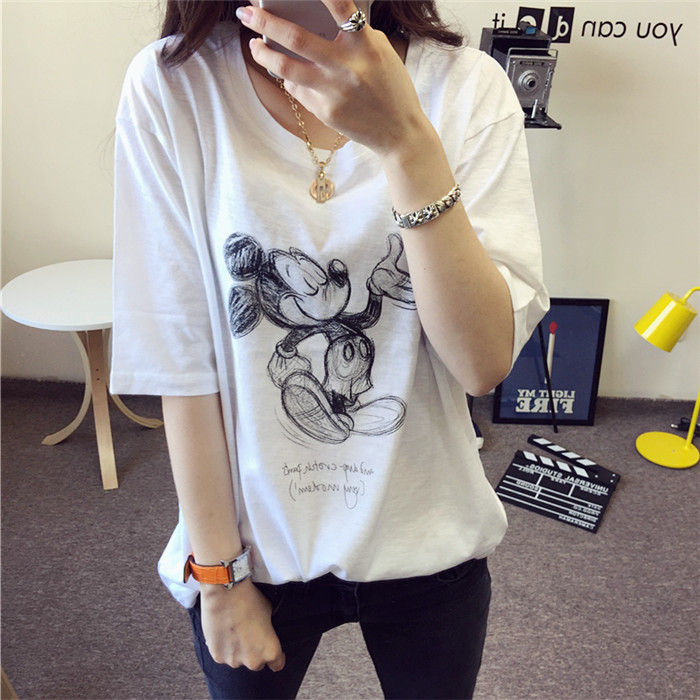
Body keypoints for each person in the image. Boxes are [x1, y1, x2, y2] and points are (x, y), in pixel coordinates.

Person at [110, 0, 548, 697]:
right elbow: (182, 357)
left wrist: (404, 142)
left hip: (428, 531)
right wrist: (219, 578)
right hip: (249, 550)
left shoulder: (466, 86)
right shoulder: (174, 85)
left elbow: (482, 362)